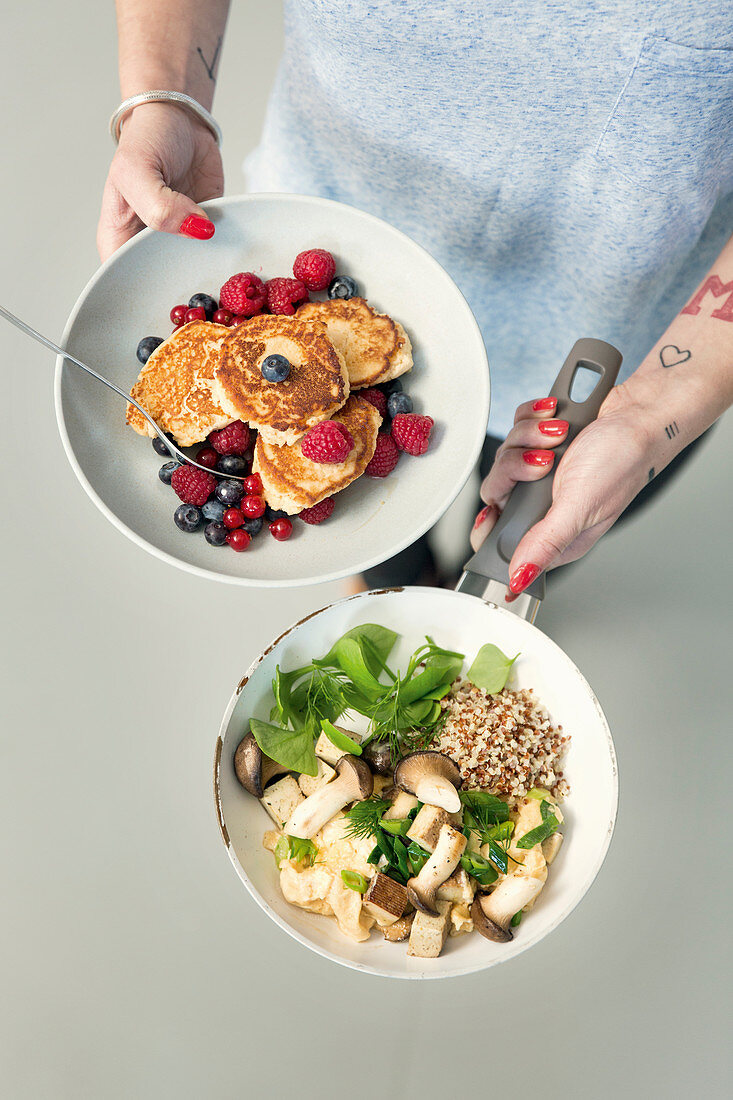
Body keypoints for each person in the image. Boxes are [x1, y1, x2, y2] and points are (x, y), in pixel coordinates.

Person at [99, 1, 733, 596]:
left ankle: (466, 592)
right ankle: (396, 588)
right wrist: (167, 99)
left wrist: (654, 412)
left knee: (529, 543)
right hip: (330, 229)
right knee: (381, 541)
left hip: (634, 343)